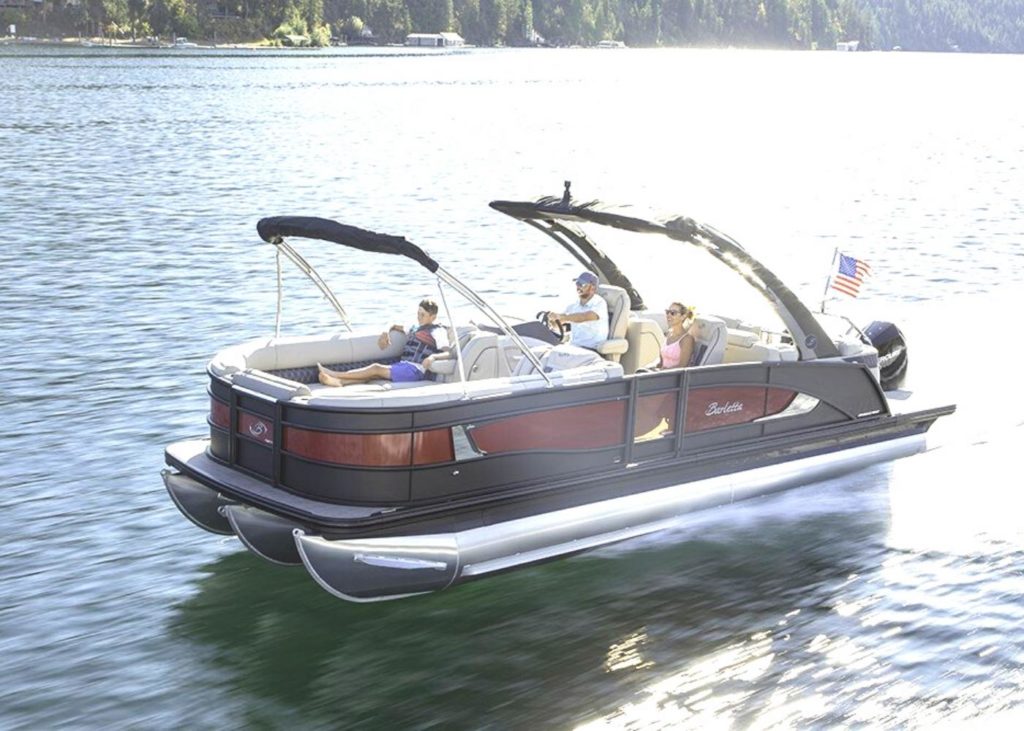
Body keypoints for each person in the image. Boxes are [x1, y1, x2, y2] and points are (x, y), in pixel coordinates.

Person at [317, 299, 449, 386]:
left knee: (375, 368)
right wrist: (386, 332)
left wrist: (432, 357)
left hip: (416, 370)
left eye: (423, 315)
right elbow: (393, 324)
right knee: (373, 375)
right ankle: (339, 382)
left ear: (433, 317)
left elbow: (449, 352)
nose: (419, 317)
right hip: (404, 366)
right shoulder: (414, 328)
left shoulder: (438, 332)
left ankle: (334, 374)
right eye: (418, 313)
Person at [545, 271, 609, 350]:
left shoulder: (599, 303)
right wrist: (553, 321)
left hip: (591, 349)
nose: (578, 287)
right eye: (577, 283)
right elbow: (561, 323)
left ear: (593, 288)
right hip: (574, 347)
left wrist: (562, 317)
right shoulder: (574, 305)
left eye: (582, 284)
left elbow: (584, 317)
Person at [659, 302, 697, 369]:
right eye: (667, 312)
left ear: (683, 317)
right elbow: (661, 363)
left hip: (673, 377)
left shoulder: (687, 339)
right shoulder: (668, 334)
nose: (669, 315)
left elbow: (682, 366)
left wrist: (664, 371)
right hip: (661, 375)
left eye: (673, 313)